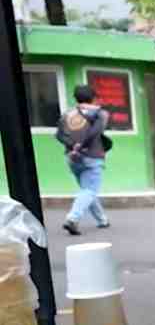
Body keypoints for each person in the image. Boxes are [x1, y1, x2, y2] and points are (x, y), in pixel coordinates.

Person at [55, 84, 110, 235]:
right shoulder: (100, 113)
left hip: (72, 158)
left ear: (76, 98)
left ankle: (102, 219)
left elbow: (59, 135)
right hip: (92, 156)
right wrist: (81, 146)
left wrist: (72, 147)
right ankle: (72, 219)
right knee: (90, 190)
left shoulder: (67, 114)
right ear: (94, 98)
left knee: (87, 190)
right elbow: (95, 132)